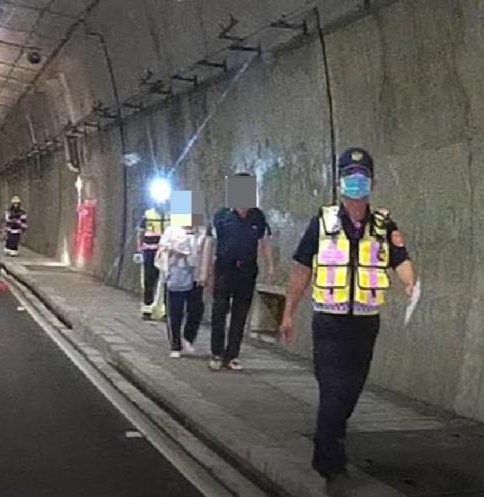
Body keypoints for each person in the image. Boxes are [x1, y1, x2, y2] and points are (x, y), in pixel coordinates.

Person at [279, 147, 416, 482]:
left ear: (371, 180)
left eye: (363, 175)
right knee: (333, 391)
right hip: (329, 321)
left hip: (366, 323)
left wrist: (410, 283)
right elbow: (300, 270)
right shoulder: (322, 222)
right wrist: (288, 314)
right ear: (340, 181)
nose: (357, 182)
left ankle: (331, 445)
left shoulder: (384, 224)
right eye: (350, 175)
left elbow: (400, 258)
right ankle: (330, 463)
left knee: (351, 392)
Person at [209, 173, 275, 371]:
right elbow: (210, 243)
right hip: (224, 269)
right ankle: (217, 353)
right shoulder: (222, 215)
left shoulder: (258, 216)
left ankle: (232, 355)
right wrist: (205, 271)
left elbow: (265, 242)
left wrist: (270, 265)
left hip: (247, 270)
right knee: (219, 311)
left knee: (240, 313)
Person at [157, 222, 211, 358]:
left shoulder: (202, 232)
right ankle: (175, 344)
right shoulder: (171, 231)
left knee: (196, 309)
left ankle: (188, 338)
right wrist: (174, 252)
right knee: (175, 310)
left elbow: (206, 252)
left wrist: (205, 273)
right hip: (176, 275)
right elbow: (162, 251)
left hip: (195, 275)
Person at [138, 205, 167, 320]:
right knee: (149, 279)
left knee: (167, 281)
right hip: (150, 250)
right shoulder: (147, 214)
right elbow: (140, 232)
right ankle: (147, 308)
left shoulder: (174, 213)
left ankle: (165, 310)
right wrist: (140, 249)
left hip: (168, 252)